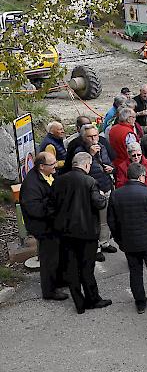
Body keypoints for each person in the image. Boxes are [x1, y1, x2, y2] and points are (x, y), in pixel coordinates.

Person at [51, 152, 111, 314]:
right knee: (87, 268)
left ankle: (79, 302)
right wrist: (103, 197)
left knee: (71, 268)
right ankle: (93, 299)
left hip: (64, 232)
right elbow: (98, 203)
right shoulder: (90, 181)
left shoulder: (59, 180)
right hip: (86, 232)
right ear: (86, 165)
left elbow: (52, 204)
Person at [107, 162, 147, 314]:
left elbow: (111, 221)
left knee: (135, 272)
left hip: (128, 240)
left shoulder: (116, 194)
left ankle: (140, 303)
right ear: (141, 177)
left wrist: (119, 239)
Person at [20, 152, 67, 301]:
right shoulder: (31, 185)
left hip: (53, 223)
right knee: (49, 258)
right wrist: (54, 205)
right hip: (43, 227)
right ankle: (49, 290)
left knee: (58, 253)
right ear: (41, 166)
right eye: (52, 164)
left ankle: (59, 280)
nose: (56, 166)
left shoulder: (49, 174)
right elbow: (34, 209)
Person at [73, 124, 115, 261]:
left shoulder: (102, 147)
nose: (94, 139)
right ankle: (95, 247)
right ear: (84, 138)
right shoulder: (79, 151)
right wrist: (90, 155)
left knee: (105, 219)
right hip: (92, 190)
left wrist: (111, 168)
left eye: (95, 135)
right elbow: (79, 171)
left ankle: (104, 242)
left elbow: (109, 161)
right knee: (94, 220)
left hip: (106, 185)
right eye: (90, 137)